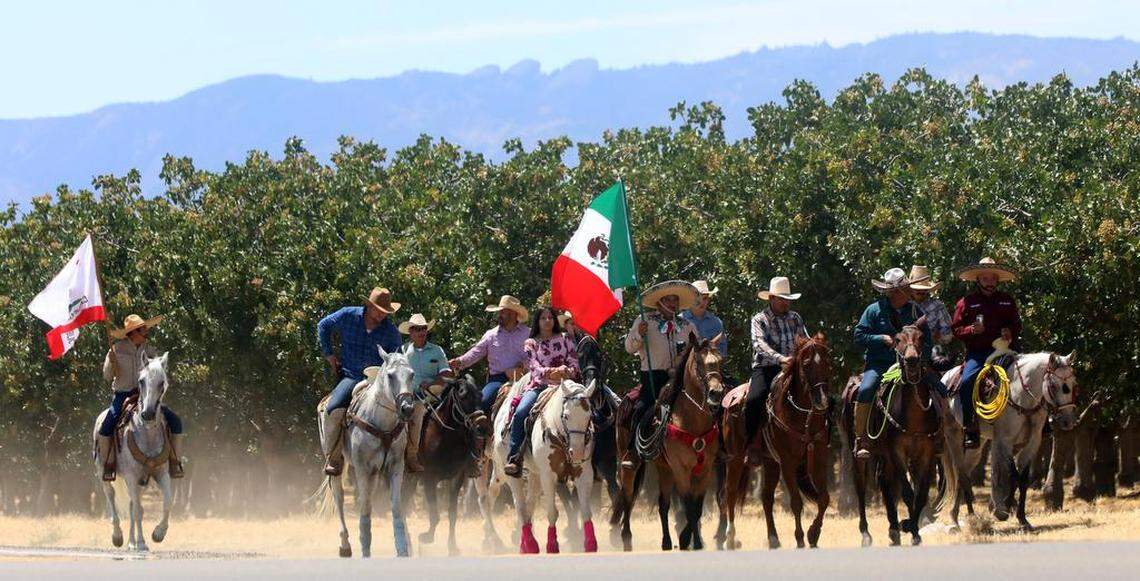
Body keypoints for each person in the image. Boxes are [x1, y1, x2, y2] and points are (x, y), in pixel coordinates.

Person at [852, 268, 937, 459]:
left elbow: (928, 340)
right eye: (906, 288)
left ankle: (938, 434)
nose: (910, 291)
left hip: (911, 365)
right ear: (895, 292)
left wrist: (923, 359)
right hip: (880, 364)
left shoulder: (915, 310)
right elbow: (858, 335)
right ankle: (862, 439)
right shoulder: (874, 310)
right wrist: (880, 338)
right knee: (866, 389)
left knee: (938, 388)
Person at [316, 287, 402, 476]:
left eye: (385, 312)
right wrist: (329, 355)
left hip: (377, 381)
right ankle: (334, 457)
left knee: (406, 413)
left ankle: (406, 455)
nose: (381, 315)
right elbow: (323, 325)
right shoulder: (348, 315)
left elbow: (398, 359)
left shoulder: (391, 332)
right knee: (333, 409)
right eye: (378, 310)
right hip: (351, 376)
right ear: (368, 305)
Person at [621, 280, 701, 468]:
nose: (673, 302)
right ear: (659, 302)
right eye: (668, 299)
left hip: (682, 379)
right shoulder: (644, 321)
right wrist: (638, 335)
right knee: (641, 408)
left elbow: (697, 351)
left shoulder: (687, 325)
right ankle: (632, 452)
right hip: (653, 377)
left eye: (675, 299)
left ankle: (715, 446)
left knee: (707, 405)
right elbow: (629, 348)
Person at [97, 314, 185, 481]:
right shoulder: (116, 350)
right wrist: (111, 362)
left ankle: (175, 461)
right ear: (133, 332)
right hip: (122, 395)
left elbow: (159, 375)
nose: (146, 332)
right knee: (107, 425)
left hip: (146, 396)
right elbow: (107, 376)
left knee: (175, 421)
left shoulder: (151, 351)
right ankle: (108, 463)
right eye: (142, 329)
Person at [951, 257, 1022, 449]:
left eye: (992, 278)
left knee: (1032, 374)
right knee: (967, 382)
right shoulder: (966, 302)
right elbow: (955, 329)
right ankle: (970, 428)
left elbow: (1017, 324)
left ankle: (1040, 422)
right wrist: (971, 331)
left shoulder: (1007, 301)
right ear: (978, 280)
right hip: (978, 353)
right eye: (985, 278)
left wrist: (1010, 331)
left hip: (1006, 350)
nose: (989, 282)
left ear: (997, 280)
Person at [504, 307, 580, 477]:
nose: (547, 321)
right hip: (540, 386)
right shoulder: (531, 343)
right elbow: (534, 368)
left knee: (588, 408)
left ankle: (594, 455)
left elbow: (574, 362)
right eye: (543, 318)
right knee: (521, 411)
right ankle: (514, 457)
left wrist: (566, 371)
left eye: (550, 318)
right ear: (537, 322)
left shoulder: (566, 338)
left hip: (566, 385)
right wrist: (553, 371)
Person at [747, 277, 808, 452]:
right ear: (771, 298)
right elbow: (759, 345)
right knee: (754, 399)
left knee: (819, 394)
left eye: (787, 299)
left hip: (793, 368)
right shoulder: (760, 319)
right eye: (781, 299)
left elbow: (804, 340)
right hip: (767, 367)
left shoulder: (795, 318)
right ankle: (752, 442)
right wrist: (780, 358)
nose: (785, 303)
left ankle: (819, 437)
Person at [449, 295, 530, 415]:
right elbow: (475, 352)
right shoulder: (491, 335)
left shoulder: (528, 333)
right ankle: (481, 433)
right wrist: (459, 362)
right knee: (483, 402)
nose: (500, 315)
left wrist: (523, 366)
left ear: (513, 314)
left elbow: (535, 356)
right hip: (497, 379)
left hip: (524, 378)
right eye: (500, 312)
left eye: (503, 312)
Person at [398, 313, 453, 473]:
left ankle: (412, 456)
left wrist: (431, 382)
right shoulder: (402, 351)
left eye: (423, 328)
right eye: (417, 329)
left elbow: (446, 375)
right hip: (408, 395)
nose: (421, 332)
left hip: (433, 394)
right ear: (411, 332)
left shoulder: (437, 351)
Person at [909, 265, 955, 372]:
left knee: (939, 366)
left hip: (930, 347)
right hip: (906, 347)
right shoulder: (904, 305)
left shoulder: (937, 305)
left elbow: (947, 331)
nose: (921, 293)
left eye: (924, 291)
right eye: (918, 291)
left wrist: (939, 337)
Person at [681, 280, 728, 358]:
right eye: (697, 298)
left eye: (705, 298)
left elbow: (722, 351)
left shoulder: (716, 323)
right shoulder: (680, 320)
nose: (701, 302)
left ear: (708, 300)